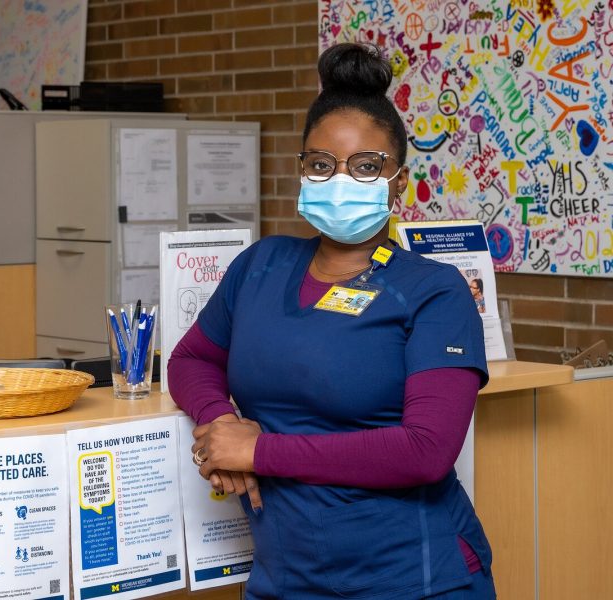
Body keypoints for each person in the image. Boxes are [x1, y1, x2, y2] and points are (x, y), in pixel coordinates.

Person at [168, 42, 495, 599]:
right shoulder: (262, 265)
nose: (340, 180)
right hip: (285, 578)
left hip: (412, 577)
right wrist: (220, 423)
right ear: (302, 171)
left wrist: (257, 452)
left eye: (366, 166)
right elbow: (192, 358)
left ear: (399, 180)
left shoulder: (434, 291)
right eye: (322, 164)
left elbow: (426, 450)